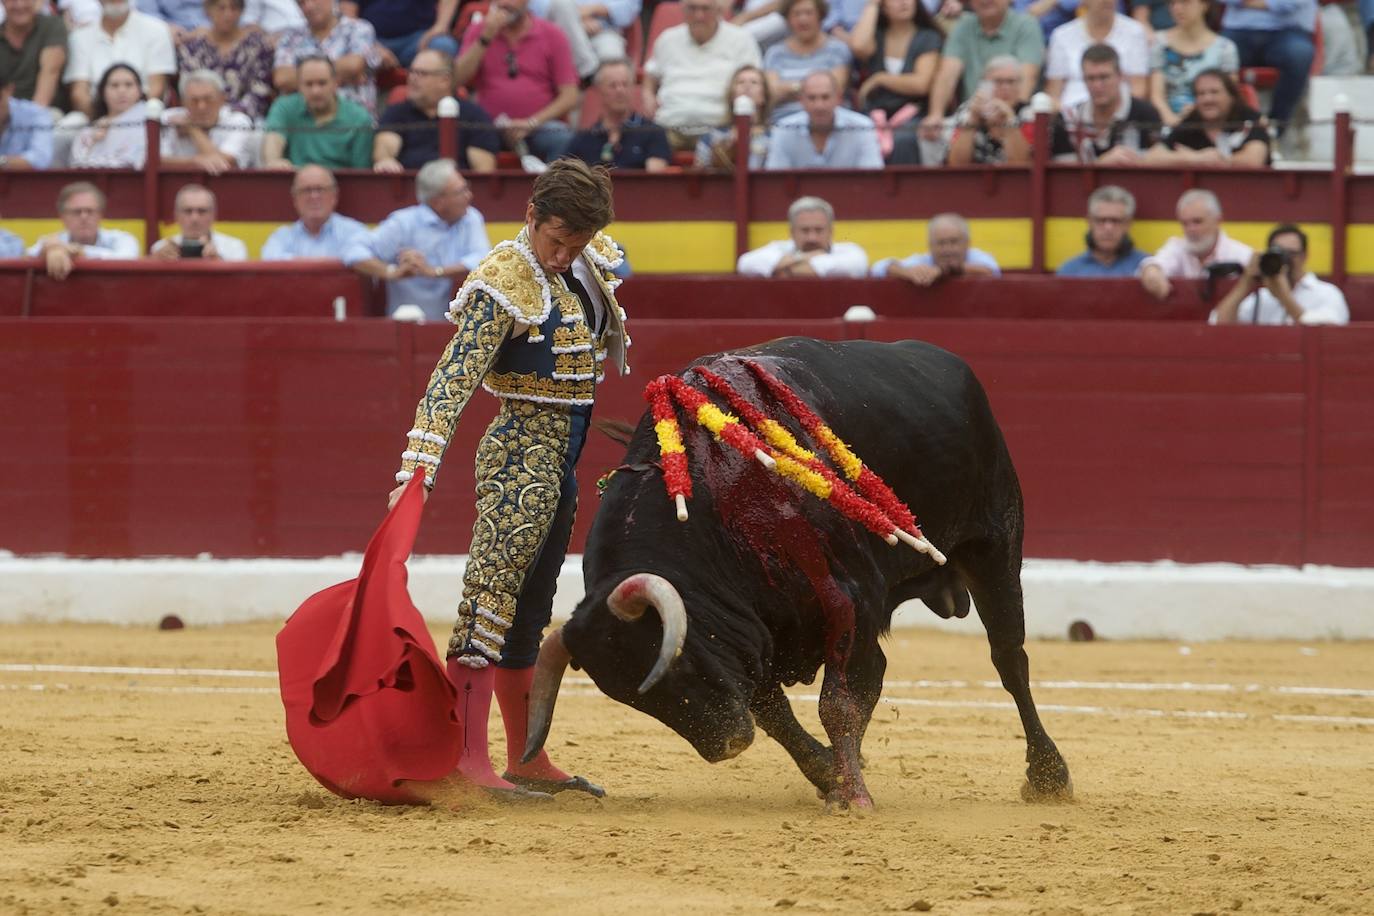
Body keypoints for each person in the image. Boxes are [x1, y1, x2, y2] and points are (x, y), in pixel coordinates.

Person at [384, 158, 626, 800]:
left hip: (563, 461)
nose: (564, 255)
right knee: (488, 603)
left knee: (530, 611)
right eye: (555, 241)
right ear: (530, 218)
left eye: (576, 244)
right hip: (519, 453)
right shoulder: (503, 279)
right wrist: (419, 463)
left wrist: (577, 250)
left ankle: (525, 756)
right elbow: (451, 376)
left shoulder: (583, 261)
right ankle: (466, 760)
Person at [345, 158, 491, 318]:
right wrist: (391, 271)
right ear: (438, 202)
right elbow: (353, 251)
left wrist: (434, 271)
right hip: (404, 327)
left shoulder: (470, 218)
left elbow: (484, 261)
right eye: (460, 191)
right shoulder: (403, 223)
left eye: (466, 188)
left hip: (455, 329)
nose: (469, 195)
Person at [454, 0, 580, 163]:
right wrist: (485, 38)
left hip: (539, 126)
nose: (504, 3)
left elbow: (570, 96)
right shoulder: (479, 30)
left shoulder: (552, 34)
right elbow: (456, 79)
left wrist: (531, 123)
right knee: (458, 136)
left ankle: (556, 188)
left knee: (562, 138)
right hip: (489, 127)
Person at [642, 0, 762, 151]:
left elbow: (756, 81)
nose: (699, 15)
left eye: (706, 9)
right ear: (683, 10)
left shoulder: (742, 39)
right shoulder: (667, 39)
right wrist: (648, 94)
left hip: (720, 130)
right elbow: (650, 74)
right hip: (669, 127)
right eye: (692, 8)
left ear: (719, 10)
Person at [920, 0, 1043, 142]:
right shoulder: (963, 26)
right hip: (972, 113)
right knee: (929, 134)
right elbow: (947, 74)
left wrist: (1004, 114)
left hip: (1015, 114)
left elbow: (1027, 78)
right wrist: (936, 114)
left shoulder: (1026, 24)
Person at [372, 48, 499, 173]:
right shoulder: (397, 112)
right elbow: (384, 150)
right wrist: (386, 161)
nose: (412, 78)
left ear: (445, 80)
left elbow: (483, 172)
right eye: (411, 72)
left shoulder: (474, 117)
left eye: (422, 73)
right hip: (409, 190)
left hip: (457, 190)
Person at [849, 0, 943, 163]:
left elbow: (921, 84)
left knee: (903, 139)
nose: (904, 3)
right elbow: (858, 46)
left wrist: (880, 78)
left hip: (914, 113)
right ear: (883, 7)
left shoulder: (928, 37)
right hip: (875, 113)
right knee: (858, 134)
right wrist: (871, 6)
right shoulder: (876, 36)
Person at [1210, 223, 1348, 325]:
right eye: (1279, 254)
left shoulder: (1327, 294)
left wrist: (1284, 297)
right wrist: (1246, 282)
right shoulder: (1262, 297)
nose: (1285, 261)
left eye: (1291, 254)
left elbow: (1328, 334)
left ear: (1304, 256)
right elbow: (1217, 324)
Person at [1050, 43, 1161, 164]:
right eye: (1091, 78)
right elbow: (1064, 176)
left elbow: (1158, 168)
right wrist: (1101, 164)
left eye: (1104, 77)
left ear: (1120, 76)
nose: (1097, 86)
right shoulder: (1069, 120)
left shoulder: (1146, 114)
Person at [63, 0, 176, 117]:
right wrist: (101, 124)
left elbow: (157, 88)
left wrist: (125, 121)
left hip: (144, 120)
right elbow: (79, 93)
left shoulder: (157, 30)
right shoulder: (79, 37)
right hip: (96, 122)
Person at [1138, 188, 1252, 299]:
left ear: (1218, 221)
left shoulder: (1241, 255)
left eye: (1197, 222)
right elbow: (1156, 263)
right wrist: (1151, 270)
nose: (1190, 229)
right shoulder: (1177, 247)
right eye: (1185, 223)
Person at [262, 55, 372, 170]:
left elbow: (361, 172)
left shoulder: (359, 118)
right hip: (295, 183)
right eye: (309, 84)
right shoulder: (284, 107)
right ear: (299, 86)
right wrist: (274, 161)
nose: (315, 91)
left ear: (336, 83)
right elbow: (273, 140)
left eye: (322, 83)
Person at [273, 0, 381, 117]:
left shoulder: (359, 28)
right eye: (301, 3)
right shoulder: (290, 38)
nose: (308, 6)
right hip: (304, 122)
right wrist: (340, 75)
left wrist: (302, 77)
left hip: (352, 123)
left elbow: (353, 66)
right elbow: (282, 78)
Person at [1220, 0, 1316, 128]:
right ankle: (1224, 125)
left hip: (1288, 31)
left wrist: (1247, 3)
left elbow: (1291, 3)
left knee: (1299, 55)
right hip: (1238, 30)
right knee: (1216, 54)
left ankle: (1275, 126)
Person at [1146, 67, 1268, 166]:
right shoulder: (1191, 121)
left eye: (1214, 92)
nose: (1207, 99)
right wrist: (1196, 159)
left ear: (1231, 96)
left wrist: (1220, 160)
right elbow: (1151, 158)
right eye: (1201, 94)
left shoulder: (1250, 118)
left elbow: (1253, 161)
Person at [176, 0, 276, 121]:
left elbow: (260, 91)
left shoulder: (258, 46)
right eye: (221, 8)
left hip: (242, 121)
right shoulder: (192, 48)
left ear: (241, 11)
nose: (228, 14)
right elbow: (187, 88)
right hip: (199, 114)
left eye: (234, 8)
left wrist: (227, 116)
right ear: (208, 11)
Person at [764, 69, 883, 169]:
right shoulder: (784, 129)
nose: (819, 106)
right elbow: (775, 182)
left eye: (825, 97)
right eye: (812, 98)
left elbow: (872, 179)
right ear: (801, 100)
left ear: (838, 98)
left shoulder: (862, 127)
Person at [566, 57, 670, 170]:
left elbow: (655, 182)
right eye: (612, 85)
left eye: (625, 84)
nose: (620, 90)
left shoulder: (653, 133)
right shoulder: (584, 139)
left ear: (633, 88)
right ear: (599, 90)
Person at [1044, 0, 1150, 109]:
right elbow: (1054, 92)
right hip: (1071, 116)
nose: (1107, 1)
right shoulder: (1061, 35)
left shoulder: (1135, 32)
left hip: (1120, 115)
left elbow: (1138, 89)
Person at [1148, 0, 1238, 127]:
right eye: (1173, 3)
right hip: (1168, 122)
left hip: (1212, 124)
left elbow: (1229, 96)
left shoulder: (1225, 48)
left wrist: (1196, 113)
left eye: (1185, 2)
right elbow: (1156, 96)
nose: (1177, 8)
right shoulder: (1159, 43)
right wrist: (1174, 123)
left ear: (1204, 5)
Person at [25, 180, 140, 279]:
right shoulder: (51, 243)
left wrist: (74, 251)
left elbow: (127, 259)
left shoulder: (123, 239)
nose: (84, 217)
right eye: (76, 212)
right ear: (63, 217)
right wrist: (47, 251)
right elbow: (29, 257)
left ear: (100, 215)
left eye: (90, 211)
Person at [763, 0, 852, 124]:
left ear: (820, 16)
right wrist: (814, 89)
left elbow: (835, 88)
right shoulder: (775, 53)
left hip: (829, 123)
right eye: (796, 14)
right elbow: (772, 92)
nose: (803, 19)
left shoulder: (837, 49)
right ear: (788, 19)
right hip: (783, 123)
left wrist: (789, 88)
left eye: (808, 13)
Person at [737, 195, 868, 276]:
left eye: (819, 230)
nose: (812, 238)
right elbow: (745, 263)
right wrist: (804, 257)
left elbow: (857, 265)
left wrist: (787, 269)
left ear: (831, 231)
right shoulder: (779, 247)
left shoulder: (850, 250)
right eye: (805, 230)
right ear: (792, 232)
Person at [261, 164, 369, 259]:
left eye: (320, 189)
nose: (314, 196)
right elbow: (270, 260)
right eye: (306, 190)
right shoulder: (282, 237)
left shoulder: (354, 232)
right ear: (295, 199)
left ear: (334, 196)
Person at [160, 68, 254, 172]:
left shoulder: (238, 121)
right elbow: (153, 161)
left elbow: (223, 164)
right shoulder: (167, 118)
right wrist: (194, 161)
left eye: (208, 99)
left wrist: (192, 129)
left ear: (222, 99)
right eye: (194, 101)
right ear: (183, 102)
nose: (201, 107)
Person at [946, 54, 1032, 164]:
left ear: (1020, 85)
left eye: (1011, 82)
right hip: (975, 179)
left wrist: (1010, 120)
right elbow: (956, 165)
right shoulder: (968, 110)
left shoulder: (1030, 113)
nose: (1006, 87)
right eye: (998, 81)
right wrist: (972, 121)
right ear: (984, 84)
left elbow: (1023, 165)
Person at [873, 211, 1000, 284]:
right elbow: (879, 267)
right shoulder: (925, 260)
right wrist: (908, 273)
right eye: (941, 243)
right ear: (930, 246)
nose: (947, 249)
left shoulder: (977, 256)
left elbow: (991, 271)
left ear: (967, 243)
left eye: (954, 242)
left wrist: (942, 270)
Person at [1056, 184, 1149, 276]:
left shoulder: (1147, 268)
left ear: (1128, 224)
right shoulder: (1069, 271)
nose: (1108, 228)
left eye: (1116, 221)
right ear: (1089, 222)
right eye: (1101, 220)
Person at [693, 63, 772, 170]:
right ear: (732, 95)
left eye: (754, 82)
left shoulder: (775, 138)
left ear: (764, 96)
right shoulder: (711, 137)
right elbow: (699, 178)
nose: (747, 86)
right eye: (740, 82)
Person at [340, 0, 459, 68]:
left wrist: (441, 25)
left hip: (418, 40)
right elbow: (348, 14)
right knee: (346, 55)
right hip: (371, 41)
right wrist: (372, 46)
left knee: (444, 46)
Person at [70, 62, 147, 168]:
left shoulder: (151, 122)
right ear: (102, 92)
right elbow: (77, 165)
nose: (121, 91)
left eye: (129, 85)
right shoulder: (89, 131)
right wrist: (93, 141)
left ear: (140, 91)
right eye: (114, 85)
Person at [150, 182, 249, 260]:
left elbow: (237, 283)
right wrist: (157, 261)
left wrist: (218, 262)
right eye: (188, 211)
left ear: (213, 215)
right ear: (176, 215)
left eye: (202, 211)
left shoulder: (234, 247)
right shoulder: (161, 247)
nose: (195, 218)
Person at [0, 0, 68, 109]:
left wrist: (33, 117)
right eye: (12, 0)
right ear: (3, 2)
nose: (20, 5)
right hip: (4, 116)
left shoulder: (52, 26)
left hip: (45, 114)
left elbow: (50, 72)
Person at [1, 72, 52, 168]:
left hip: (21, 182)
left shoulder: (36, 114)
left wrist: (2, 162)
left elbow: (40, 159)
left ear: (9, 90)